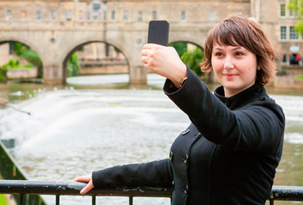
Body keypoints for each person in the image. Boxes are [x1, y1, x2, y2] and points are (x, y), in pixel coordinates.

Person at [75, 15, 285, 204]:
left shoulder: (268, 115)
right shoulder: (212, 108)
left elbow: (227, 128)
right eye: (219, 54)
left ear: (258, 61)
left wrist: (180, 75)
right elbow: (178, 166)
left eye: (238, 54)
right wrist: (103, 177)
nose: (227, 64)